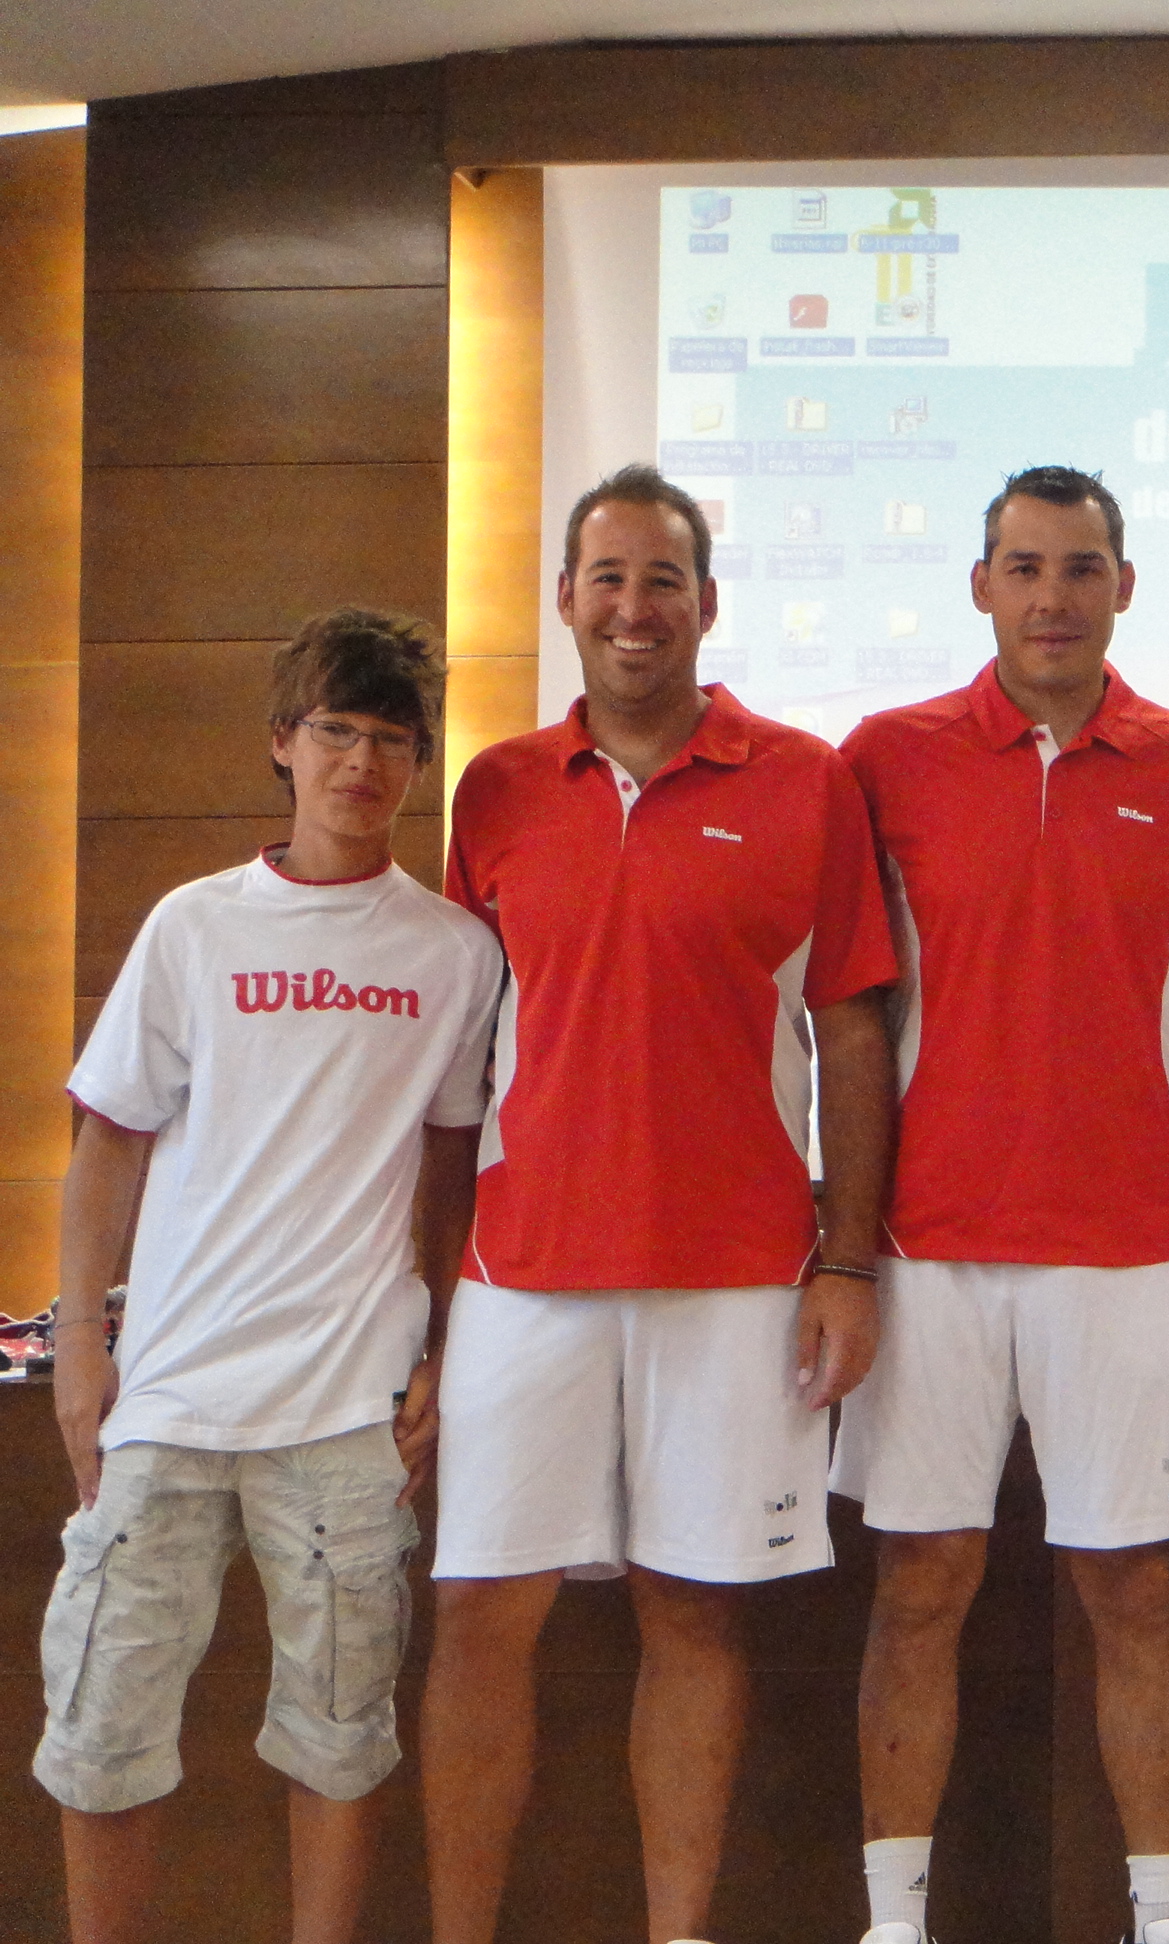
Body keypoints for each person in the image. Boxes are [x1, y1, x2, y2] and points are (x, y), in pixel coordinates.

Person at [420, 465, 897, 1944]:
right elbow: (461, 1049)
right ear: (568, 598)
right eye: (611, 579)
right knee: (480, 1615)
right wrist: (423, 1306)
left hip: (736, 1279)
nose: (637, 608)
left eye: (665, 580)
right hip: (524, 1274)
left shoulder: (806, 780)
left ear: (708, 602)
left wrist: (848, 1261)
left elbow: (853, 1033)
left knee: (695, 1614)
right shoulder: (497, 790)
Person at [835, 466, 1169, 1944]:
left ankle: (1167, 1920)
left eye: (1081, 568)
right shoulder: (883, 758)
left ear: (1123, 587)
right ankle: (896, 1923)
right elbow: (838, 1010)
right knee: (919, 1587)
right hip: (926, 1252)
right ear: (981, 587)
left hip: (1127, 1247)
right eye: (1024, 567)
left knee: (1133, 1593)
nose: (1053, 597)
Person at [38, 610, 498, 1944]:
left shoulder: (455, 954)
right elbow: (109, 1143)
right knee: (103, 1731)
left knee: (339, 1740)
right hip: (169, 1399)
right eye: (337, 731)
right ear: (284, 744)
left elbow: (450, 1175)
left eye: (393, 740)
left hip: (347, 1414)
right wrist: (82, 1354)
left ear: (418, 763)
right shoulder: (194, 928)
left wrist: (443, 1350)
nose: (363, 762)